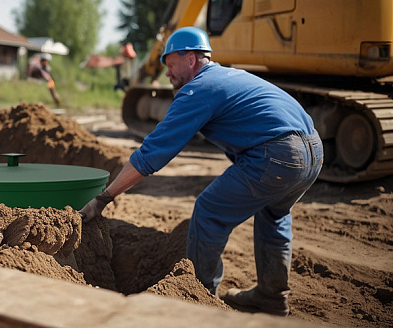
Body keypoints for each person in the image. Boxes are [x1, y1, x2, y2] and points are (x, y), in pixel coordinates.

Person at [79, 26, 323, 317]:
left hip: (280, 155)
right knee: (274, 213)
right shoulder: (229, 76)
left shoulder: (197, 89)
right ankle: (272, 297)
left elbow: (151, 154)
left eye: (170, 65)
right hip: (312, 151)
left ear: (191, 59)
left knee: (208, 211)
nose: (167, 74)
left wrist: (104, 198)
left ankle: (198, 297)